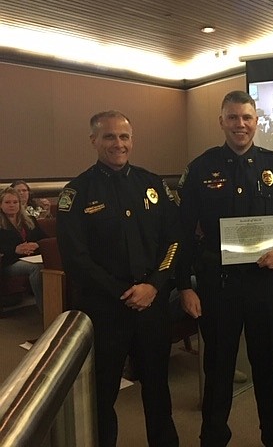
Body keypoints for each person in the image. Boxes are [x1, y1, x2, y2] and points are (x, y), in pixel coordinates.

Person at [177, 90, 273, 447]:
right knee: (218, 371)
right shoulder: (200, 168)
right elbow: (183, 231)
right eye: (233, 117)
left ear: (257, 120)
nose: (240, 124)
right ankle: (213, 439)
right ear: (221, 121)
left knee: (267, 369)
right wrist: (184, 285)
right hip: (218, 286)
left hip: (266, 285)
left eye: (247, 117)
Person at [56, 110, 180, 447]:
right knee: (102, 394)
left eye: (124, 137)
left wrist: (154, 284)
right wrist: (125, 292)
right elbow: (76, 260)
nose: (118, 143)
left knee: (158, 389)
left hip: (151, 304)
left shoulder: (153, 184)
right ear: (94, 140)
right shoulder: (76, 193)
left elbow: (174, 241)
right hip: (104, 310)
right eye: (109, 137)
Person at [0, 187, 46, 312]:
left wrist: (36, 245)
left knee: (50, 264)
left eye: (15, 202)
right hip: (9, 262)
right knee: (36, 268)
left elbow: (44, 238)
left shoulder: (30, 220)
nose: (12, 205)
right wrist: (15, 250)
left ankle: (58, 305)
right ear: (1, 204)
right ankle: (45, 310)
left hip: (32, 257)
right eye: (7, 202)